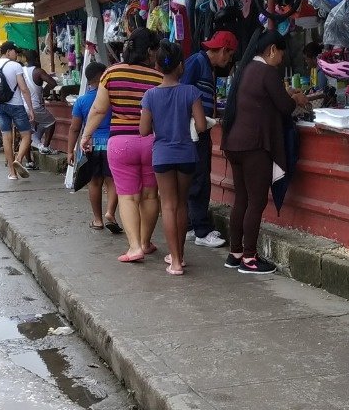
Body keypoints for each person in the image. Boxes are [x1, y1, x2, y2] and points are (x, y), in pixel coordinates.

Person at [221, 30, 305, 275]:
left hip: (234, 143)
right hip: (254, 145)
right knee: (256, 201)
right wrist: (297, 98)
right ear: (271, 50)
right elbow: (284, 106)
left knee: (242, 199)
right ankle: (249, 258)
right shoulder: (267, 72)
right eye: (280, 54)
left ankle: (235, 252)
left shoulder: (245, 70)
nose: (281, 59)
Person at [80, 28, 161, 263]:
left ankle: (134, 246)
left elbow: (98, 109)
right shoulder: (157, 77)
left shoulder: (112, 73)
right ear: (149, 51)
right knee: (149, 194)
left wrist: (86, 136)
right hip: (150, 142)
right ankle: (146, 243)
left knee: (127, 196)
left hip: (120, 143)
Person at [140, 41, 206, 276]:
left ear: (157, 66)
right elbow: (201, 126)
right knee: (182, 204)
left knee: (168, 206)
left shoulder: (150, 96)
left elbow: (144, 130)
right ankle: (181, 255)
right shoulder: (191, 92)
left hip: (162, 156)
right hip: (187, 154)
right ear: (181, 66)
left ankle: (175, 261)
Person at [181, 30, 237, 249]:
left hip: (199, 128)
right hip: (195, 131)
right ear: (224, 50)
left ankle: (191, 226)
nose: (228, 60)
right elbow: (183, 92)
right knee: (199, 180)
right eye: (229, 55)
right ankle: (202, 230)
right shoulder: (197, 62)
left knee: (196, 179)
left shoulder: (205, 65)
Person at [68, 61, 121, 233]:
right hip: (112, 143)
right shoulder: (112, 97)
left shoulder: (81, 101)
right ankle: (110, 213)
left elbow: (75, 128)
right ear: (101, 76)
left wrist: (70, 151)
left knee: (95, 182)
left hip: (90, 145)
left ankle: (98, 220)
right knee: (112, 181)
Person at [0, 40, 35, 180]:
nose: (16, 54)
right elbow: (24, 89)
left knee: (6, 138)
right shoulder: (15, 66)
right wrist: (31, 109)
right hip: (16, 106)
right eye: (15, 51)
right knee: (27, 135)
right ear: (8, 52)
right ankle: (18, 159)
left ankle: (12, 174)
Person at [23, 50, 57, 155]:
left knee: (27, 132)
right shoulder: (38, 71)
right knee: (51, 122)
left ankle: (29, 161)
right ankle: (45, 147)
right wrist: (45, 90)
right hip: (35, 106)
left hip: (23, 106)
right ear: (37, 59)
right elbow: (53, 82)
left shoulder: (21, 70)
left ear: (26, 60)